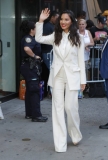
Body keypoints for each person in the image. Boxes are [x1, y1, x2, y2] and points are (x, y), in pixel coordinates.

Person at [35, 8, 86, 152]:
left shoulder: (78, 38)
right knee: (57, 109)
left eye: (66, 19)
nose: (63, 22)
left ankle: (75, 134)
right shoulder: (55, 36)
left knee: (70, 108)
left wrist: (83, 80)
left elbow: (81, 60)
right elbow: (39, 38)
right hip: (57, 76)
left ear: (72, 22)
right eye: (61, 19)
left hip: (73, 76)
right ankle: (60, 144)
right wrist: (40, 21)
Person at [20, 20, 48, 122]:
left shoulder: (29, 38)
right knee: (35, 90)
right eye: (35, 28)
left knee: (30, 91)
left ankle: (30, 113)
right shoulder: (28, 38)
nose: (36, 30)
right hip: (30, 67)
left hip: (28, 67)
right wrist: (35, 56)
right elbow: (27, 49)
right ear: (32, 30)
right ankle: (36, 115)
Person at [41, 11, 59, 97]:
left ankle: (52, 91)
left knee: (52, 71)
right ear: (52, 17)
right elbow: (43, 38)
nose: (58, 20)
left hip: (51, 52)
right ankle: (51, 91)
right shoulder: (47, 26)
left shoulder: (53, 26)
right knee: (52, 71)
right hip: (47, 52)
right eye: (57, 18)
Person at [78, 19, 94, 98]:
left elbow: (92, 42)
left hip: (86, 56)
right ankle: (78, 91)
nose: (81, 26)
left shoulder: (88, 32)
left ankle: (82, 90)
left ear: (85, 25)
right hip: (77, 56)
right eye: (80, 24)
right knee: (78, 74)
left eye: (83, 24)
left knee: (84, 74)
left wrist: (86, 44)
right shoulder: (75, 32)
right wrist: (82, 46)